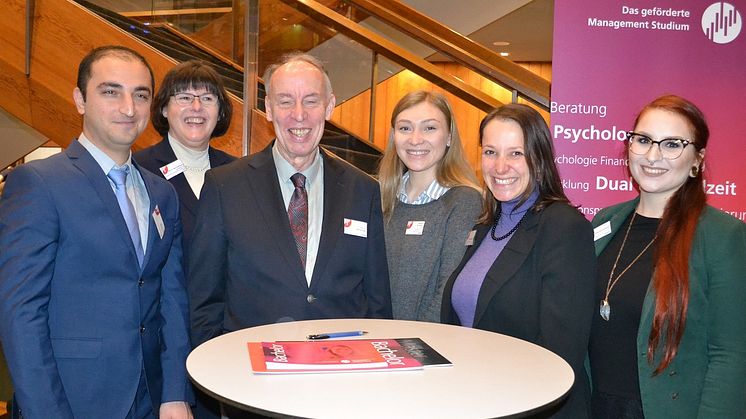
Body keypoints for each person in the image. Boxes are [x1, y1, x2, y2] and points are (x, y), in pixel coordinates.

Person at [0, 46, 193, 418]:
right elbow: (21, 313)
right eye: (110, 91)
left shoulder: (161, 193)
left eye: (140, 95)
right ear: (79, 100)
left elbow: (171, 300)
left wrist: (174, 393)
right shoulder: (38, 183)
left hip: (150, 399)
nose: (128, 107)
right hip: (71, 398)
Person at [188, 52, 391, 345]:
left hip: (343, 370)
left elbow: (377, 301)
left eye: (311, 101)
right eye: (285, 101)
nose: (299, 114)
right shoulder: (224, 186)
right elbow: (204, 301)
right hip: (249, 372)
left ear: (329, 106)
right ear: (268, 108)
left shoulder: (363, 190)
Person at [588, 95, 746, 418]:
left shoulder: (722, 236)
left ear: (697, 160)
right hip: (595, 406)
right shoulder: (604, 222)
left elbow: (731, 355)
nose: (652, 155)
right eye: (643, 140)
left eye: (672, 144)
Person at [442, 103, 596, 418]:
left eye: (516, 154)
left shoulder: (564, 227)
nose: (500, 167)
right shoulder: (485, 225)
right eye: (490, 152)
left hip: (531, 408)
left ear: (538, 158)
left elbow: (561, 350)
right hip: (477, 397)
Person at [378, 90, 481, 322]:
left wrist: (412, 346)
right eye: (405, 128)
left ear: (449, 137)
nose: (415, 139)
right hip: (379, 343)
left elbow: (448, 290)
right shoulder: (381, 200)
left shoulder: (464, 201)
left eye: (429, 128)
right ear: (394, 136)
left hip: (427, 347)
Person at [135, 60, 235, 249]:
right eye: (184, 97)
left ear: (220, 112)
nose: (197, 107)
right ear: (164, 108)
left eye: (207, 98)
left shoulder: (238, 173)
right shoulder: (139, 169)